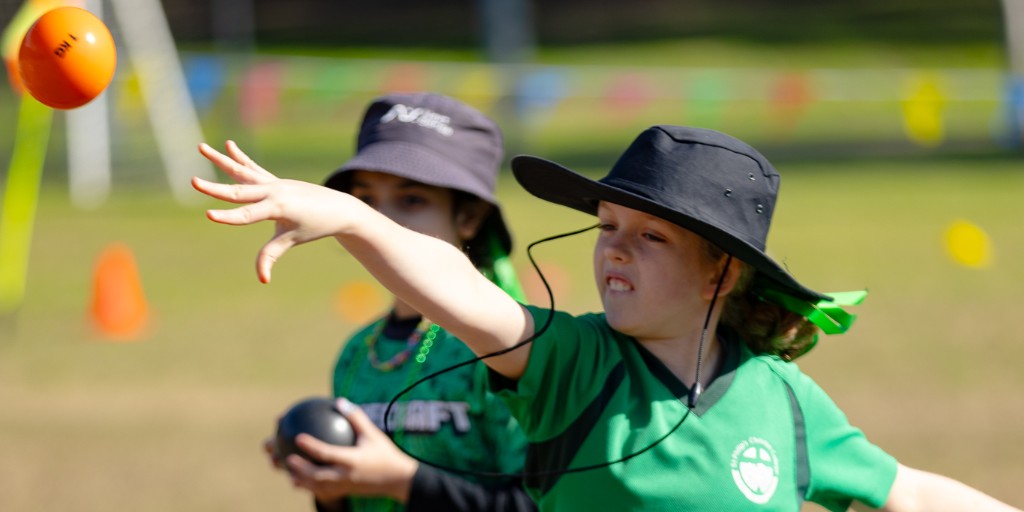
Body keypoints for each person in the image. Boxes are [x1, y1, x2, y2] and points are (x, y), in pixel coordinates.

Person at [193, 125, 1021, 511]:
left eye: (651, 237)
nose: (613, 251)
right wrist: (358, 221)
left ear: (720, 271)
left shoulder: (785, 401)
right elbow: (463, 289)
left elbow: (904, 489)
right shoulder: (575, 362)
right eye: (606, 229)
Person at [257, 92, 536, 512]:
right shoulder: (357, 353)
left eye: (411, 200)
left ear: (469, 217)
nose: (378, 220)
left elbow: (538, 504)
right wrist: (332, 491)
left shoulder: (505, 347)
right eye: (364, 201)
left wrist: (403, 482)